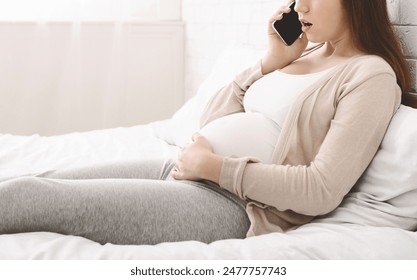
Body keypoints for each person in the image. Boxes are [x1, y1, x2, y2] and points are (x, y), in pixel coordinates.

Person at [0, 0, 411, 245]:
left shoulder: (369, 75)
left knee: (31, 197)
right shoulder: (302, 54)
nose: (299, 6)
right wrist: (268, 62)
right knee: (35, 180)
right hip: (189, 170)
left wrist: (215, 168)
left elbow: (320, 190)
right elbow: (212, 120)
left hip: (234, 205)